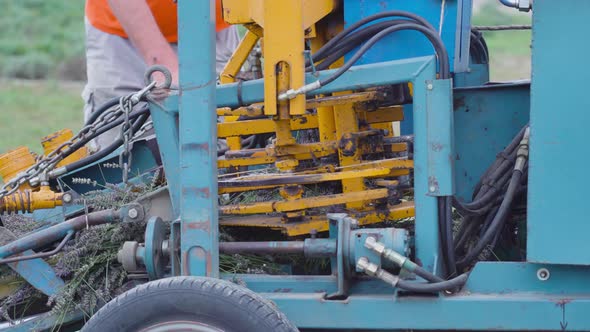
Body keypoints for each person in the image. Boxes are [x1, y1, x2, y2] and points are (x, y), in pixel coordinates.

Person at [83, 0, 239, 152]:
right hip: (122, 37)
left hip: (214, 28)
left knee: (234, 150)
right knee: (127, 159)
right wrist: (163, 64)